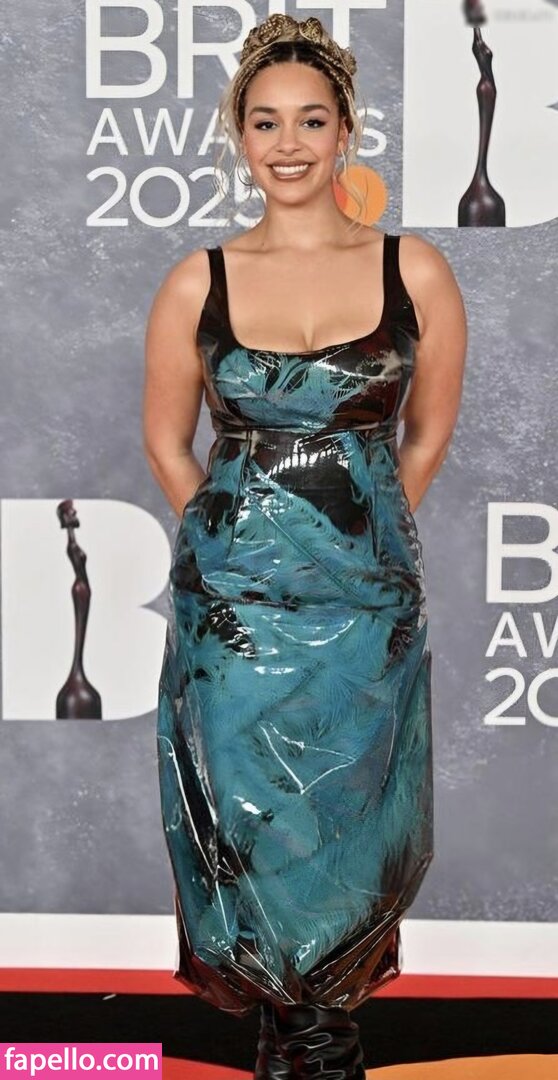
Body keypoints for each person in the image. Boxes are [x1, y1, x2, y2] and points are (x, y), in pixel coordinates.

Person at [143, 14, 467, 1079]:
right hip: (235, 615)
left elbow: (425, 436)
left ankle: (318, 1031)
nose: (289, 144)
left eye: (312, 121)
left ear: (346, 133)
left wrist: (360, 543)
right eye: (266, 122)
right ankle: (305, 1043)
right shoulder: (197, 281)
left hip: (366, 605)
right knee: (248, 821)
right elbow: (167, 441)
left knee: (354, 819)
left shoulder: (415, 270)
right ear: (239, 136)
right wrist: (232, 546)